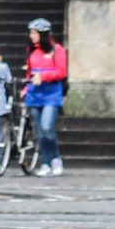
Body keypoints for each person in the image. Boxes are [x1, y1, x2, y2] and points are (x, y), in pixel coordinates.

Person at [24, 19, 68, 177]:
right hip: (34, 94)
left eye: (34, 33)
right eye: (31, 33)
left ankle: (55, 159)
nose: (31, 36)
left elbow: (61, 71)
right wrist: (25, 88)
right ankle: (46, 162)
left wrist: (43, 76)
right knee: (39, 132)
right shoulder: (31, 51)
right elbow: (29, 73)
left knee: (47, 127)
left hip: (51, 94)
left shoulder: (57, 49)